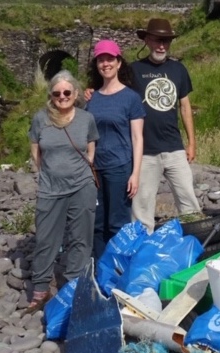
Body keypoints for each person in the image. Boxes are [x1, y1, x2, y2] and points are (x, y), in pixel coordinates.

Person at [26, 69, 99, 314]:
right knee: (46, 239)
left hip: (82, 185)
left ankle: (72, 288)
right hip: (50, 188)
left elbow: (90, 150)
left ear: (75, 93)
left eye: (67, 92)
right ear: (51, 95)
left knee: (80, 239)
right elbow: (36, 151)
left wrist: (80, 173)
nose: (62, 96)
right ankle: (40, 290)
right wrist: (47, 173)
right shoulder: (40, 119)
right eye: (57, 93)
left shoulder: (86, 119)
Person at [130, 18, 201, 233]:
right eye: (157, 40)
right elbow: (113, 91)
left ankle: (197, 241)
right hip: (145, 152)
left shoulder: (179, 69)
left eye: (166, 41)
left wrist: (191, 143)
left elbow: (185, 106)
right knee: (141, 207)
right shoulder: (133, 70)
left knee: (189, 200)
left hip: (174, 147)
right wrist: (91, 92)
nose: (162, 45)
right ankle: (142, 250)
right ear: (148, 41)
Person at [85, 40, 145, 260]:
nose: (105, 63)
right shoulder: (92, 98)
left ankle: (117, 269)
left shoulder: (131, 98)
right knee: (97, 223)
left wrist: (135, 173)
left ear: (119, 63)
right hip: (95, 170)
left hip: (120, 168)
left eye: (110, 59)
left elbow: (138, 138)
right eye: (101, 59)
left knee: (117, 223)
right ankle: (101, 269)